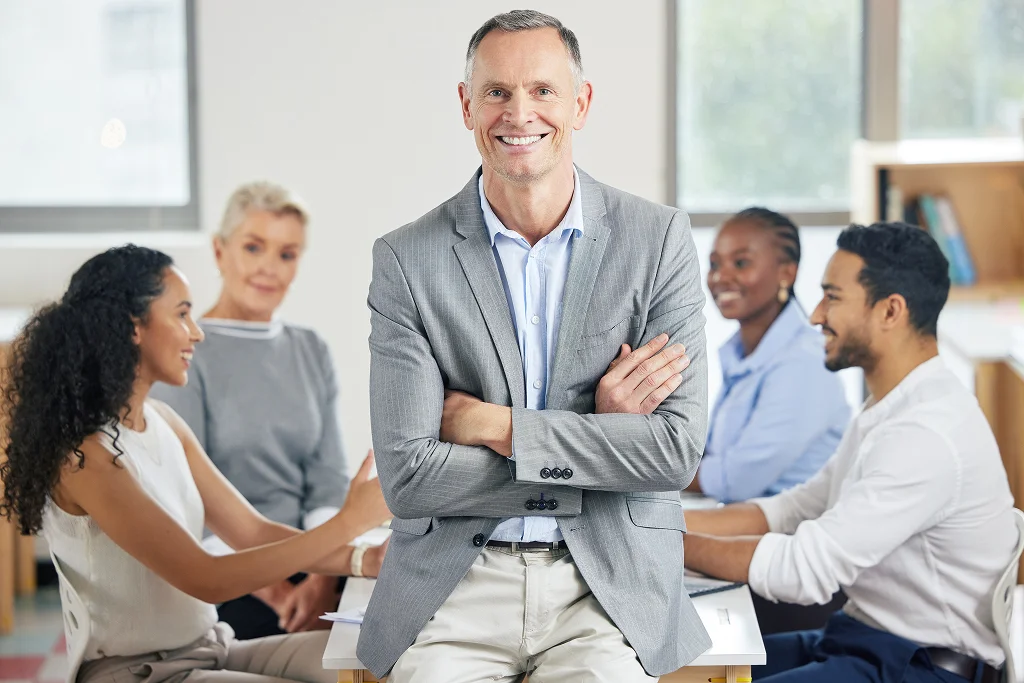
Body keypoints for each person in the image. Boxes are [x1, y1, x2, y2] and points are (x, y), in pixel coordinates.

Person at [359, 10, 710, 682]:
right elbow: (407, 478)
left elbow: (672, 450)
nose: (519, 112)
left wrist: (497, 427)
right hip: (455, 587)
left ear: (580, 102)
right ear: (467, 105)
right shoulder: (406, 259)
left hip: (604, 586)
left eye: (543, 90)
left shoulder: (657, 239)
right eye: (496, 92)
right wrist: (598, 440)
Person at [0, 245, 391, 683]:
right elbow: (206, 578)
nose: (196, 332)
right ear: (133, 327)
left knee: (375, 653)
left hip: (212, 649)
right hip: (140, 673)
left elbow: (252, 531)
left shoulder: (164, 421)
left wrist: (364, 558)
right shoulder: (85, 456)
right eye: (182, 314)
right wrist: (348, 522)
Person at [683, 223, 1017, 683]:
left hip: (920, 668)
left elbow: (804, 569)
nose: (816, 314)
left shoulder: (926, 432)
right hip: (860, 638)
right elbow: (794, 510)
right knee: (681, 665)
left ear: (890, 311)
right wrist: (663, 525)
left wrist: (669, 545)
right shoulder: (888, 408)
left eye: (832, 297)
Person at [153, 181, 385, 640]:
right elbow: (188, 504)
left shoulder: (309, 349)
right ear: (220, 252)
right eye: (254, 247)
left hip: (315, 559)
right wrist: (281, 593)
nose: (268, 268)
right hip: (231, 573)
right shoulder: (186, 351)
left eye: (286, 253)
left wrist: (321, 578)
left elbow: (326, 480)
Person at [692, 207, 849, 503]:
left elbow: (734, 480)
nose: (720, 277)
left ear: (786, 273)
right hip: (746, 526)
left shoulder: (804, 362)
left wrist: (652, 467)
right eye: (714, 264)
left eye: (740, 263)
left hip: (794, 538)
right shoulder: (741, 355)